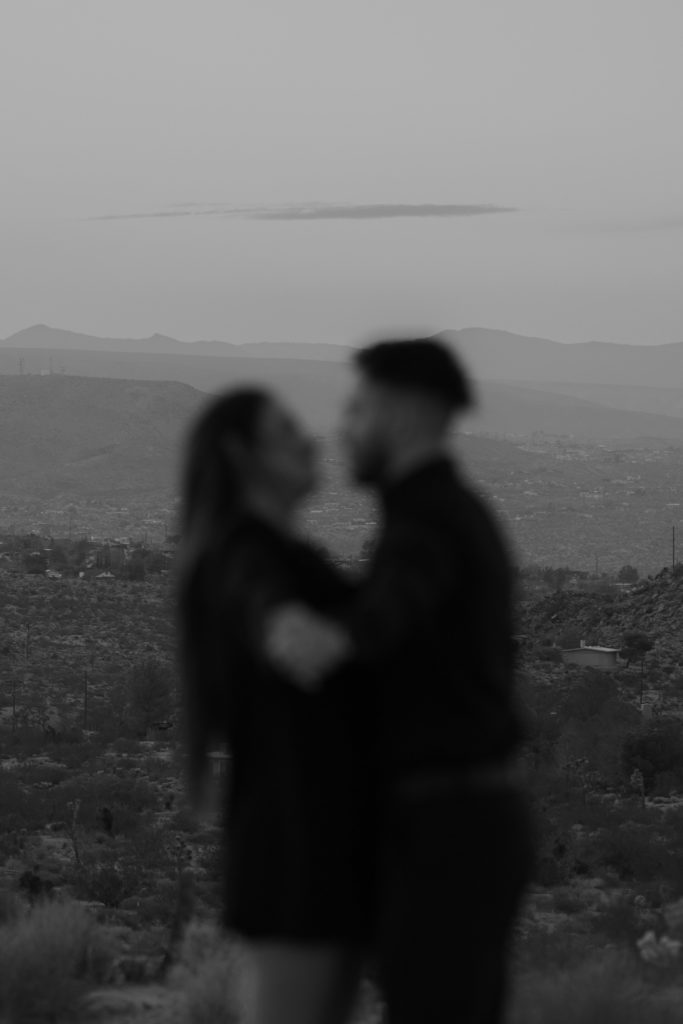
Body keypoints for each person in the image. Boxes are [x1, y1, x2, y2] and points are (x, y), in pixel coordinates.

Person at [267, 338, 535, 1024]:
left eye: (358, 407)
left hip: (447, 834)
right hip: (466, 824)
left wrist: (331, 641)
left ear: (405, 412)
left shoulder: (427, 524)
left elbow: (394, 606)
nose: (345, 426)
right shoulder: (446, 514)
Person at [176, 388, 372, 1024]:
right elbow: (257, 599)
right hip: (292, 852)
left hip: (323, 843)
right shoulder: (241, 553)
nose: (310, 440)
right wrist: (288, 630)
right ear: (242, 454)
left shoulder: (289, 554)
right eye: (287, 432)